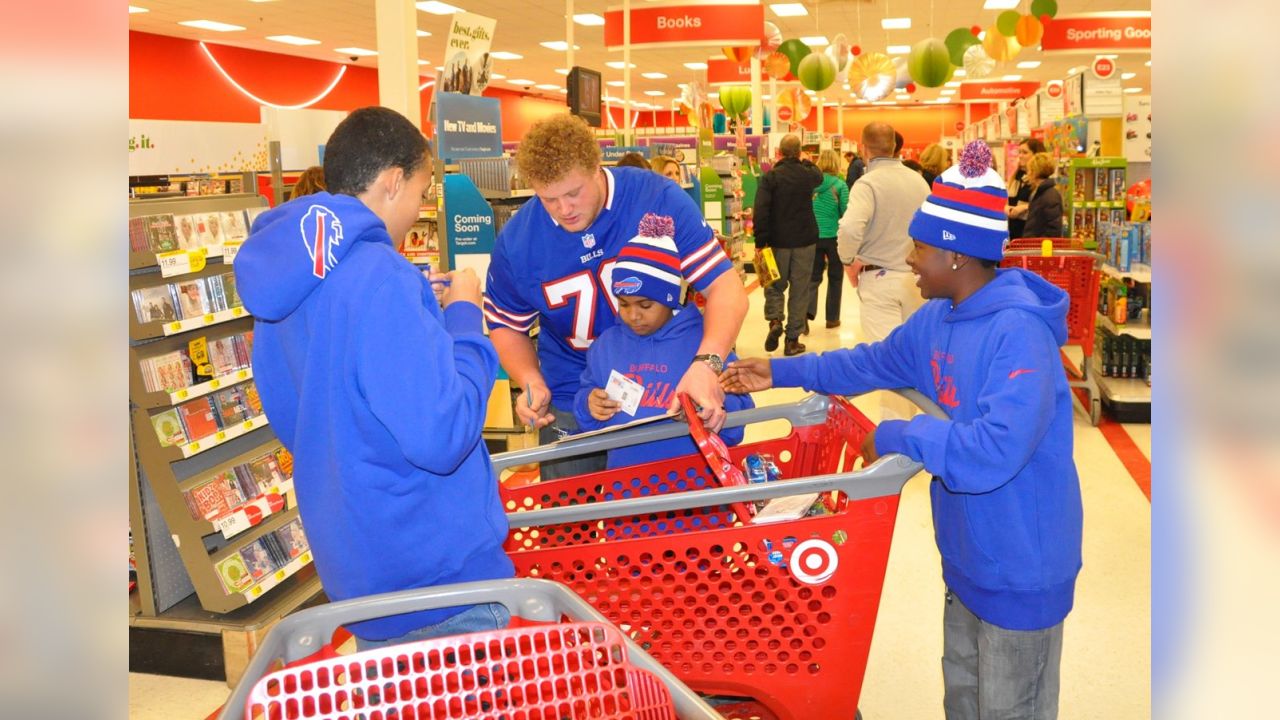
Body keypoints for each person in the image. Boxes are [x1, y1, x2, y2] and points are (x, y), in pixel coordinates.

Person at [722, 140, 1082, 720]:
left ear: (957, 254)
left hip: (1022, 563)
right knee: (964, 695)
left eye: (919, 246)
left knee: (1010, 707)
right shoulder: (938, 318)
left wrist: (898, 437)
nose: (909, 258)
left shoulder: (1019, 334)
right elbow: (867, 363)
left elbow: (994, 450)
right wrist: (779, 372)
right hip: (968, 553)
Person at [234, 107, 513, 649]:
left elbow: (302, 412)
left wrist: (418, 328)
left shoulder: (292, 279)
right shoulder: (382, 277)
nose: (420, 207)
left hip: (357, 557)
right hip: (433, 569)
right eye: (423, 189)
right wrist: (462, 318)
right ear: (392, 182)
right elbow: (444, 435)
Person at [485, 114, 748, 480]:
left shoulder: (656, 199)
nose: (564, 209)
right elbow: (505, 322)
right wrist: (530, 379)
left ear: (597, 168)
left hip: (666, 383)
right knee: (569, 524)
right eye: (549, 199)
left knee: (669, 514)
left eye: (574, 193)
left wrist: (707, 363)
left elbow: (725, 288)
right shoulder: (517, 242)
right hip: (574, 393)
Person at [573, 213, 754, 468]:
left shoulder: (706, 344)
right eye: (623, 304)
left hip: (697, 491)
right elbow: (586, 406)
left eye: (645, 305)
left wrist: (713, 412)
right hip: (626, 491)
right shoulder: (605, 346)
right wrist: (589, 404)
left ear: (669, 298)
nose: (633, 315)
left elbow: (738, 422)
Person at [837, 121, 931, 420]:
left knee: (889, 361)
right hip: (919, 280)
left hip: (879, 279)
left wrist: (846, 256)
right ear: (894, 146)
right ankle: (925, 424)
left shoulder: (868, 184)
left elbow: (851, 227)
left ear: (863, 148)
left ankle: (897, 442)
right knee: (918, 356)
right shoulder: (918, 181)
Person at [753, 134, 823, 356]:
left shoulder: (770, 177)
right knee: (800, 289)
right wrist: (805, 160)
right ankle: (792, 340)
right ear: (799, 152)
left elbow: (761, 210)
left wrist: (760, 240)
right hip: (805, 241)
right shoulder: (807, 175)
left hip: (777, 241)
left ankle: (775, 320)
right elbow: (819, 175)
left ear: (779, 153)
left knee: (773, 284)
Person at [807, 149, 849, 330]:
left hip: (813, 236)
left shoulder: (809, 186)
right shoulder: (840, 185)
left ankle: (806, 315)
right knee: (835, 277)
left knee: (813, 278)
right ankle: (832, 318)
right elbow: (846, 213)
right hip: (834, 238)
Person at [1006, 137, 1046, 239]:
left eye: (1024, 152)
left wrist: (1025, 208)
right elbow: (1009, 200)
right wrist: (1007, 209)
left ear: (1036, 155)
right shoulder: (1017, 176)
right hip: (1013, 233)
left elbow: (1044, 205)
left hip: (1030, 235)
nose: (1020, 156)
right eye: (1019, 152)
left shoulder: (1041, 179)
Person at [1021, 152, 1064, 239]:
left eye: (1029, 170)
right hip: (1036, 247)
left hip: (1040, 249)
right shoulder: (1043, 192)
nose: (1028, 174)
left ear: (1035, 172)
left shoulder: (1049, 195)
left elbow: (1053, 230)